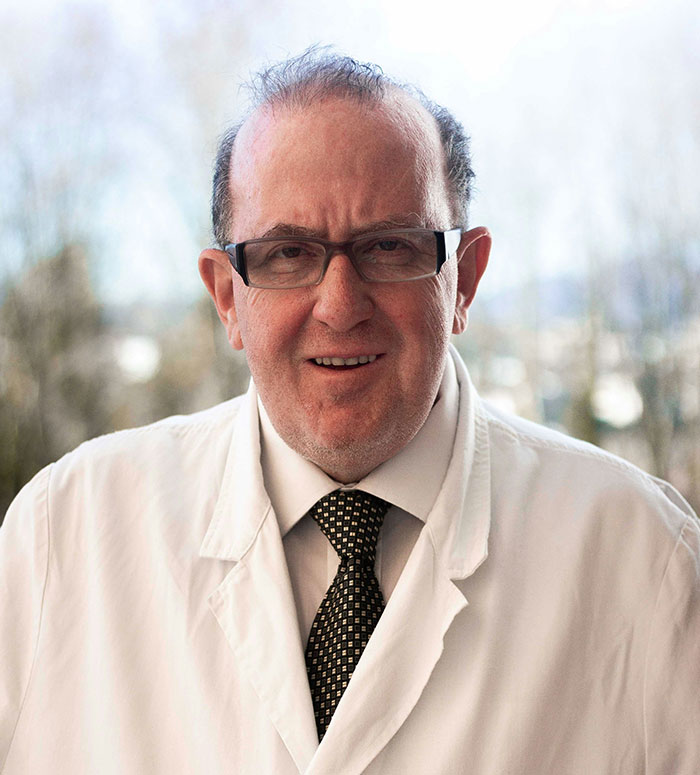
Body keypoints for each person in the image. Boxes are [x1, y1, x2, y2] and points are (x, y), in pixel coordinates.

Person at [1, 49, 699, 775]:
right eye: (287, 253)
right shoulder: (62, 537)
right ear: (227, 297)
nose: (339, 306)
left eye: (389, 247)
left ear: (465, 279)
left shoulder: (645, 559)